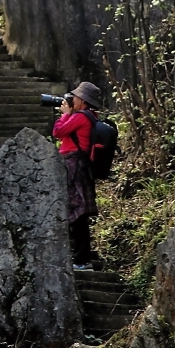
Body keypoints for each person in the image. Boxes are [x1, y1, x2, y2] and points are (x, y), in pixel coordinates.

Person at [52, 81, 102, 271]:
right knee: (77, 212)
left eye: (76, 98)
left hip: (74, 165)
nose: (72, 100)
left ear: (83, 100)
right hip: (77, 164)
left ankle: (82, 260)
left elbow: (58, 132)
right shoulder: (89, 116)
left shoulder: (81, 117)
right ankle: (81, 258)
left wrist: (65, 115)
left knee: (77, 212)